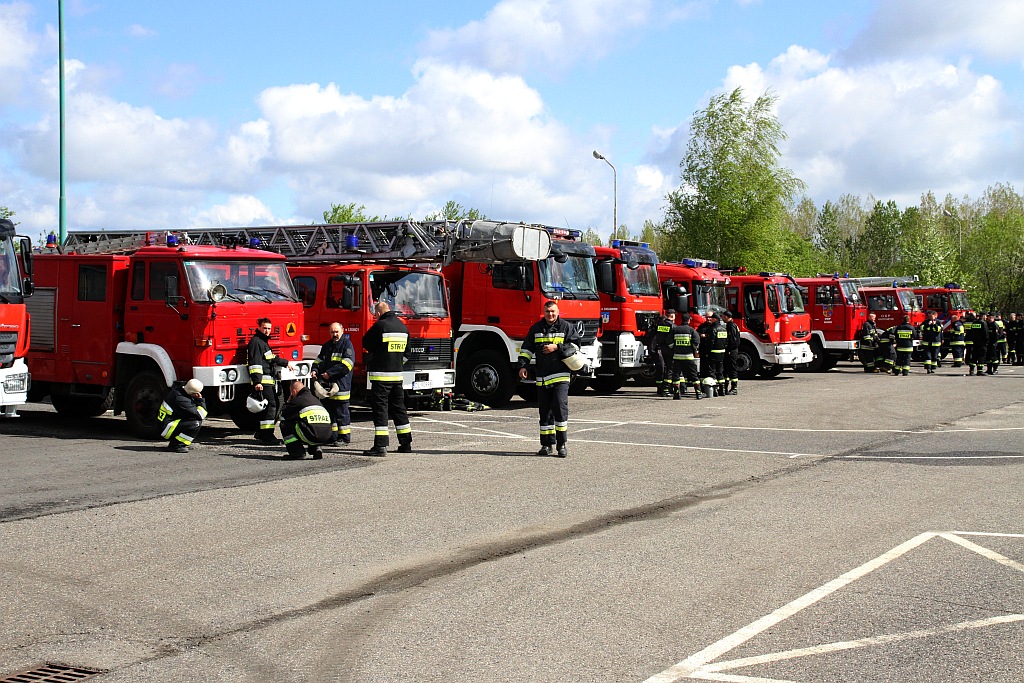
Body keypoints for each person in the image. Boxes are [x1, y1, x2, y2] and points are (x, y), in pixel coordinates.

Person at [517, 300, 582, 458]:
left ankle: (561, 445)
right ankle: (546, 445)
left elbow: (576, 346)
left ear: (558, 311)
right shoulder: (536, 329)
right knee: (544, 412)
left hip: (560, 376)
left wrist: (556, 347)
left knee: (560, 409)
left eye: (553, 311)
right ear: (543, 313)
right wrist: (523, 366)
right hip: (542, 377)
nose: (550, 314)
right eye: (547, 312)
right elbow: (526, 349)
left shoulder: (566, 327)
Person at [362, 301, 412, 457]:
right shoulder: (403, 328)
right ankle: (406, 443)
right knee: (399, 409)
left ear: (378, 313)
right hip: (397, 377)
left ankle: (381, 446)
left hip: (381, 377)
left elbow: (366, 343)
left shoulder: (380, 326)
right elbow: (407, 355)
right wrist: (396, 364)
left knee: (381, 410)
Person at [247, 317, 294, 443]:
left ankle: (262, 433)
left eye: (269, 328)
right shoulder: (257, 342)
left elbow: (271, 358)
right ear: (259, 328)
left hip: (267, 380)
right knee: (271, 406)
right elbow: (255, 363)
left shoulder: (263, 342)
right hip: (263, 381)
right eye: (265, 328)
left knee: (271, 406)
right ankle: (267, 436)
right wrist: (257, 381)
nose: (267, 331)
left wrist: (285, 363)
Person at [313, 322, 355, 446]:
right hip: (328, 386)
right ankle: (332, 436)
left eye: (336, 332)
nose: (334, 334)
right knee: (330, 413)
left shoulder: (346, 345)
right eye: (332, 332)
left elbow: (347, 364)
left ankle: (344, 438)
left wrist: (329, 373)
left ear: (342, 331)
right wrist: (314, 370)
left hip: (341, 385)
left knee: (342, 413)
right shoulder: (327, 346)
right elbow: (318, 360)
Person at [279, 380, 333, 460]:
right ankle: (316, 448)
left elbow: (282, 415)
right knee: (310, 424)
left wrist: (288, 402)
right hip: (326, 435)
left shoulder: (298, 400)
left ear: (294, 391)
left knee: (285, 424)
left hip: (312, 435)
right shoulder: (315, 399)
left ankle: (297, 453)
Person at [158, 378, 208, 453]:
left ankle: (182, 442)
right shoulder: (181, 399)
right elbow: (201, 415)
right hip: (166, 428)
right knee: (195, 423)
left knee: (191, 418)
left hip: (166, 424)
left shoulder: (180, 391)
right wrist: (200, 400)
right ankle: (177, 445)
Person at [670, 313, 701, 400]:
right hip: (688, 357)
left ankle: (677, 394)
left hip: (677, 357)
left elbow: (670, 343)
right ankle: (698, 393)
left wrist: (675, 348)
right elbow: (696, 343)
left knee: (676, 375)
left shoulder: (675, 330)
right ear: (689, 320)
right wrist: (692, 348)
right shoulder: (691, 330)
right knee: (694, 375)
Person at [648, 309, 676, 397]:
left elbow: (652, 336)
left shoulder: (658, 325)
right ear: (672, 316)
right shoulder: (673, 326)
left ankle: (659, 388)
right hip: (668, 349)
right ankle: (666, 389)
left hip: (658, 349)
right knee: (669, 369)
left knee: (660, 369)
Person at [721, 310, 741, 395]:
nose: (722, 318)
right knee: (727, 368)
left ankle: (734, 388)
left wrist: (728, 349)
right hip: (731, 350)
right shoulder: (732, 325)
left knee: (732, 368)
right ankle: (726, 387)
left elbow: (732, 340)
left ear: (726, 317)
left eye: (723, 316)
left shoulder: (731, 326)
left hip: (731, 351)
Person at [964, 311, 988, 376]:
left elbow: (972, 333)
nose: (986, 317)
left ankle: (971, 370)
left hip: (975, 343)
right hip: (982, 343)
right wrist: (986, 342)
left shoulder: (974, 323)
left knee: (974, 356)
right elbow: (986, 334)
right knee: (981, 357)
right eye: (985, 316)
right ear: (983, 316)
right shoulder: (983, 323)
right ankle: (979, 371)